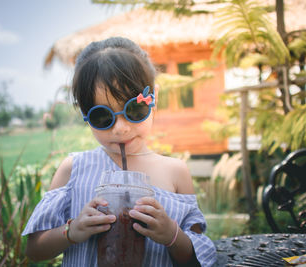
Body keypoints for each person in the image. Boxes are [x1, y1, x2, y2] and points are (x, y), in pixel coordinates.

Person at [22, 37, 217, 266]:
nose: (121, 128)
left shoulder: (176, 173)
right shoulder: (74, 169)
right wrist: (72, 230)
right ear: (84, 114)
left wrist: (172, 235)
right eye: (102, 117)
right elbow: (34, 249)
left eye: (134, 109)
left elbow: (194, 260)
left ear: (155, 96)